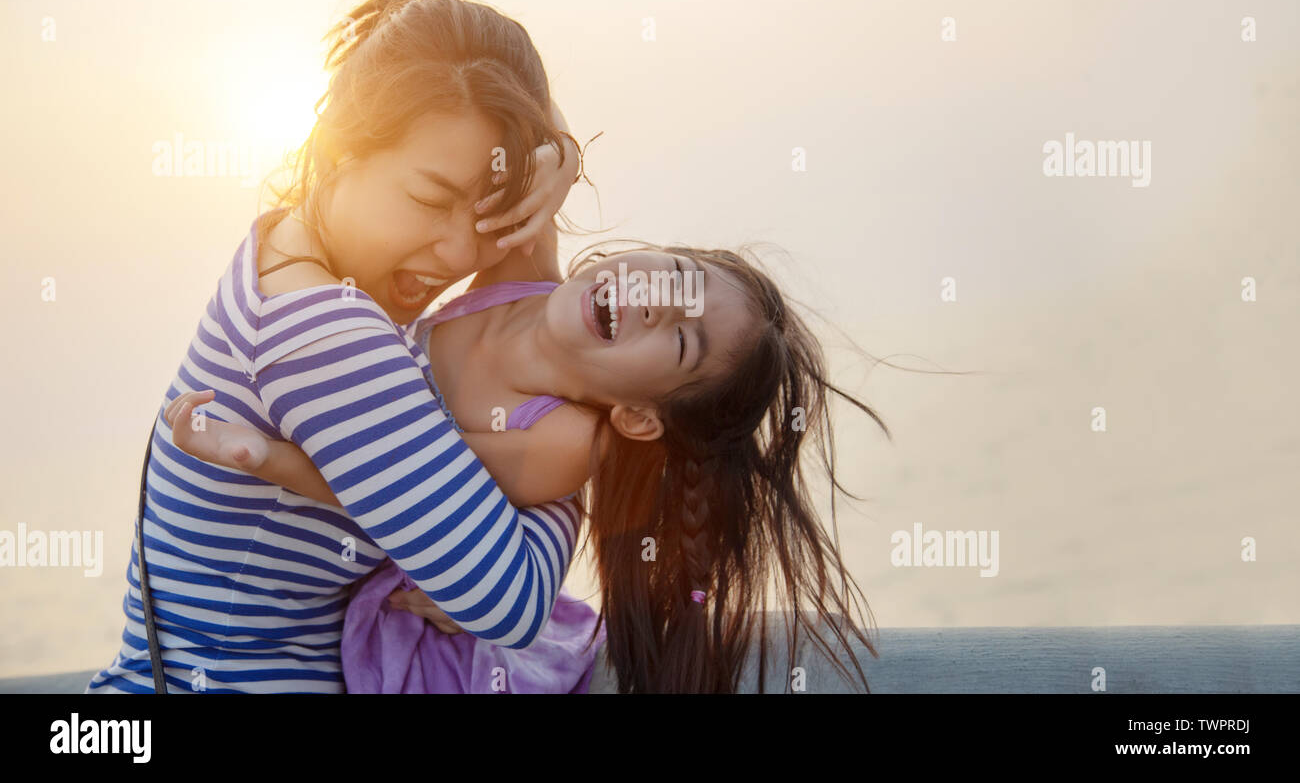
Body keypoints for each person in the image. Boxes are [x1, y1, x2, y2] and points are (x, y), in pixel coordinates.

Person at [87, 0, 593, 693]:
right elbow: (508, 600)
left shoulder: (287, 253)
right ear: (338, 150)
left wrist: (559, 151)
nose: (455, 251)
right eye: (428, 200)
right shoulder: (323, 328)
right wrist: (575, 451)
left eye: (490, 210)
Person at [167, 231, 893, 693]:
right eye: (672, 276)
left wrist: (266, 455)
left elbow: (389, 479)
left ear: (639, 416)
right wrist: (560, 162)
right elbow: (519, 108)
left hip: (403, 567)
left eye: (679, 340)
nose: (649, 302)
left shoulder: (559, 441)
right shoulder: (524, 274)